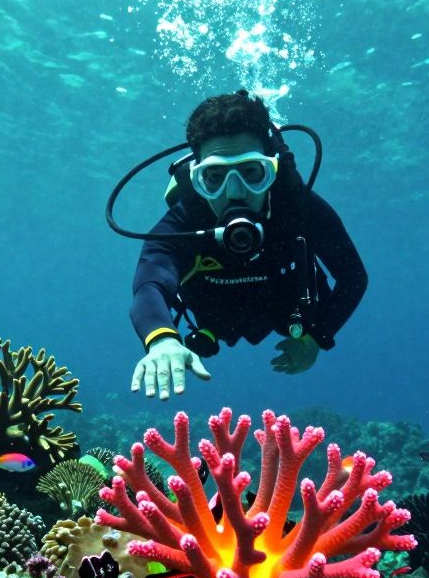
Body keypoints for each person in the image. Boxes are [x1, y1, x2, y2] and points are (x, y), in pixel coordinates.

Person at [126, 91, 368, 400]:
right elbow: (150, 282)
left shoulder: (297, 206)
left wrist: (316, 337)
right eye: (215, 177)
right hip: (215, 321)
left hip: (289, 315)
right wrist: (161, 340)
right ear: (197, 177)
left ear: (272, 170)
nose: (236, 193)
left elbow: (353, 277)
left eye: (252, 172)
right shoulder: (185, 221)